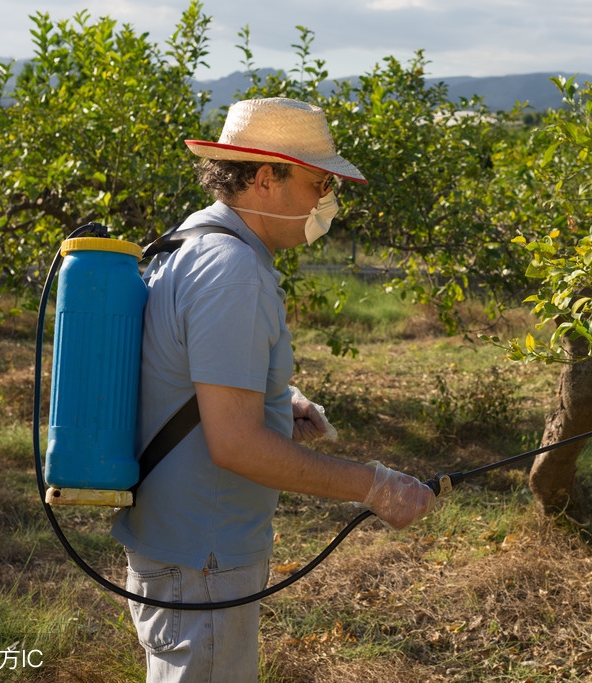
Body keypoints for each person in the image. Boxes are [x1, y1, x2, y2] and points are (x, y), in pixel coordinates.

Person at [111, 97, 436, 682]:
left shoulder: (190, 241)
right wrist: (375, 486)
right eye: (319, 183)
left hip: (180, 546)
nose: (327, 201)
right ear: (266, 178)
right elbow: (234, 444)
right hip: (203, 558)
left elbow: (184, 375)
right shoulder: (233, 271)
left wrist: (278, 403)